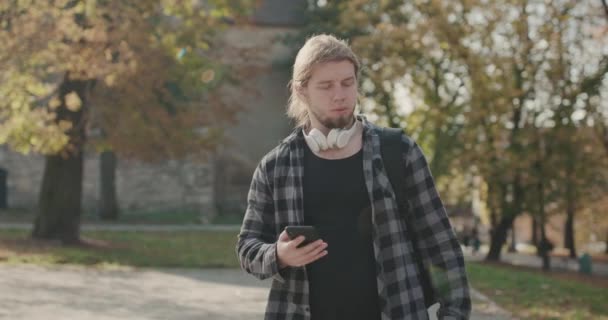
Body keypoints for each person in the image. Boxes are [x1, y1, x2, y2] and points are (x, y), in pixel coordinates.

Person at [236, 34, 471, 320]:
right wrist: (278, 255)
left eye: (348, 83)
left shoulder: (398, 152)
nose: (340, 95)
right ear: (302, 90)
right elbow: (248, 247)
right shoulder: (275, 167)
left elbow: (442, 246)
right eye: (326, 86)